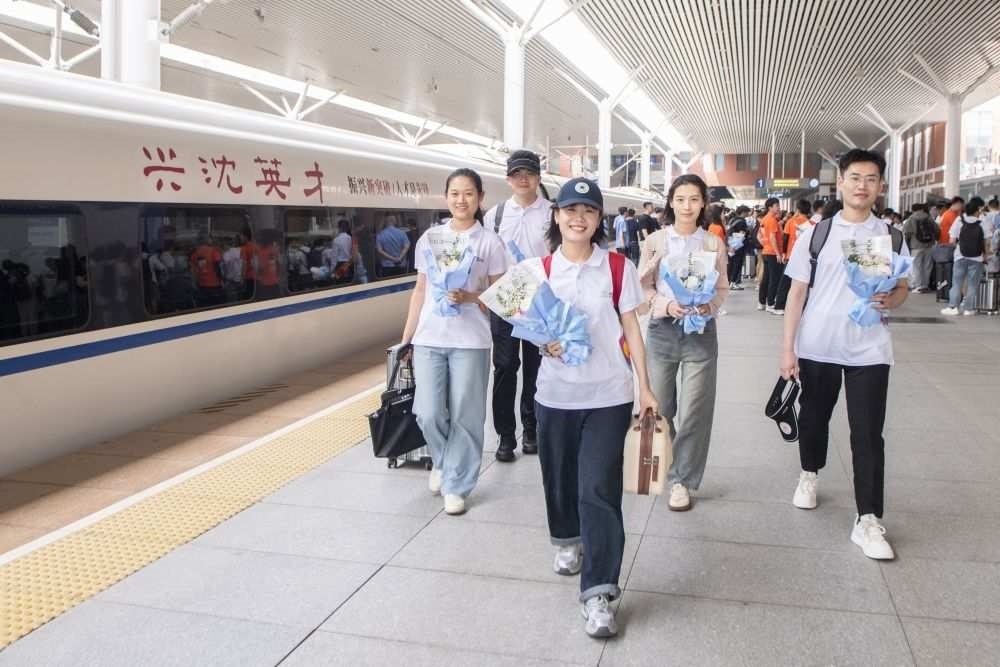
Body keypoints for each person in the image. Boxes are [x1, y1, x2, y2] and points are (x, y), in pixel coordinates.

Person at [530, 177, 656, 639]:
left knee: (599, 488)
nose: (578, 218)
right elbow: (526, 325)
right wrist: (543, 342)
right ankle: (567, 538)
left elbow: (631, 328)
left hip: (609, 394)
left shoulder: (618, 267)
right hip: (554, 395)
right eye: (570, 209)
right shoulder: (538, 269)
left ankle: (598, 592)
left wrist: (645, 388)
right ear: (557, 216)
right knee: (559, 477)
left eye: (588, 210)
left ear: (600, 218)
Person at [780, 148, 910, 560]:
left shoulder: (891, 237)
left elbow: (902, 287)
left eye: (871, 179)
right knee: (814, 418)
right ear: (841, 182)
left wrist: (892, 299)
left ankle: (867, 518)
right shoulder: (817, 234)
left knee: (868, 433)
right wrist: (788, 349)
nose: (862, 186)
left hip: (870, 348)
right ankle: (809, 472)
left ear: (881, 186)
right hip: (819, 344)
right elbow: (796, 293)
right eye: (855, 177)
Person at [400, 168, 507, 515]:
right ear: (446, 197)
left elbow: (502, 296)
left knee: (466, 414)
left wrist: (470, 297)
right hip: (429, 337)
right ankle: (445, 461)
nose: (462, 200)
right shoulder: (429, 238)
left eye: (469, 193)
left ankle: (457, 485)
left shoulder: (489, 242)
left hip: (471, 340)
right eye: (455, 193)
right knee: (427, 412)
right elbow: (420, 291)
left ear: (480, 198)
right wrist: (407, 339)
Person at [638, 174, 728, 512]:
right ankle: (673, 462)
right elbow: (644, 287)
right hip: (662, 330)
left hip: (700, 333)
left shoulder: (713, 244)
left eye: (694, 199)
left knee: (695, 411)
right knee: (661, 408)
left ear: (703, 203)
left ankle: (681, 480)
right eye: (680, 199)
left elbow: (722, 288)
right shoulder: (656, 241)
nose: (687, 206)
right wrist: (666, 305)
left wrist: (708, 306)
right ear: (671, 202)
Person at [483, 150, 552, 462]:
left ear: (538, 177)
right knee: (505, 367)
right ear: (508, 179)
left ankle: (531, 429)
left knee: (537, 367)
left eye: (529, 173)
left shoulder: (552, 213)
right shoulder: (494, 216)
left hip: (540, 298)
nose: (523, 179)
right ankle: (505, 435)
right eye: (517, 174)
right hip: (506, 297)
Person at [941, 196, 991, 316]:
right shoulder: (983, 221)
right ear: (977, 210)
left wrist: (961, 244)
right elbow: (987, 241)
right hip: (977, 258)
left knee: (957, 283)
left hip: (960, 256)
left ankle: (953, 307)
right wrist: (985, 255)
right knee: (972, 284)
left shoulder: (959, 220)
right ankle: (968, 309)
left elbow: (952, 240)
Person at [773, 199, 812, 313]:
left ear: (798, 210)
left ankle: (779, 306)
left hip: (791, 256)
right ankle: (802, 308)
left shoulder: (791, 221)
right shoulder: (812, 224)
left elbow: (785, 238)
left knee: (785, 282)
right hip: (805, 257)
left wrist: (783, 253)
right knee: (803, 283)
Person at [902, 203, 938, 293]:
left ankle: (918, 286)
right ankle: (925, 285)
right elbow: (936, 229)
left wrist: (907, 245)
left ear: (913, 210)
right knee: (927, 266)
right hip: (929, 245)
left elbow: (906, 233)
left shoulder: (911, 219)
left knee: (916, 266)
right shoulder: (929, 218)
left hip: (916, 246)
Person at [757, 197, 784, 312]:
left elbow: (759, 236)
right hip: (773, 253)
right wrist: (778, 253)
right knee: (774, 278)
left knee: (766, 278)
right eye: (777, 206)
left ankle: (762, 302)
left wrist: (765, 245)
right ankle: (771, 303)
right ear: (770, 207)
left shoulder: (764, 219)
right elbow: (773, 237)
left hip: (766, 251)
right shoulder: (772, 220)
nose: (779, 208)